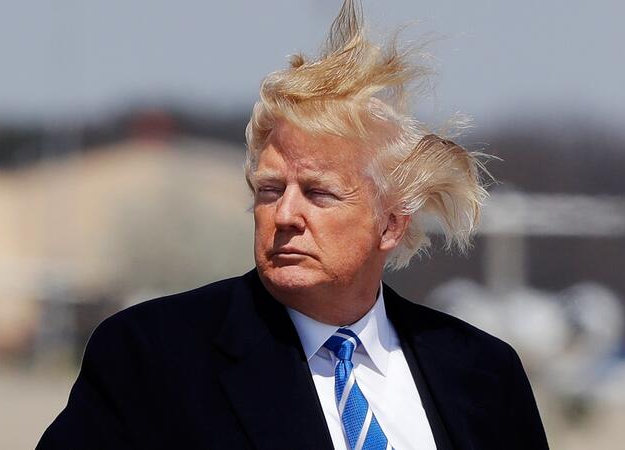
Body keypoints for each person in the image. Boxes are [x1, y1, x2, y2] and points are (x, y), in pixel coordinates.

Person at [38, 1, 548, 449]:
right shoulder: (152, 356)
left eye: (319, 193)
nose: (284, 216)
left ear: (391, 224)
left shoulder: (482, 372)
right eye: (270, 189)